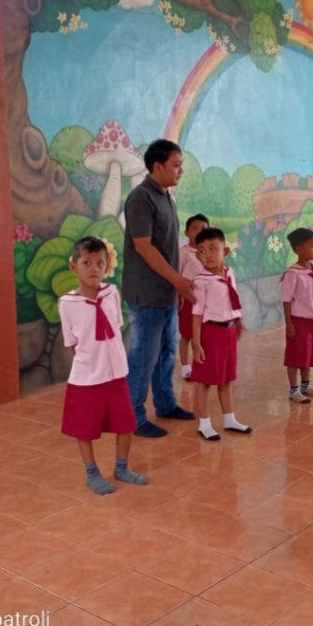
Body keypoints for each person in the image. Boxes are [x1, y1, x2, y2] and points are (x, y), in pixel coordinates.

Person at [59, 236, 150, 494]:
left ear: (106, 267)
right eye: (86, 263)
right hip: (87, 378)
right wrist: (93, 361)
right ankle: (92, 472)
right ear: (74, 266)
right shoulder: (68, 304)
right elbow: (72, 342)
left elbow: (117, 326)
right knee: (85, 428)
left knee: (126, 422)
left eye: (100, 263)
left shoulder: (111, 293)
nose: (94, 268)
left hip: (117, 374)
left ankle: (122, 467)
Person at [122, 139, 196, 438]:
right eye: (176, 165)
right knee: (144, 354)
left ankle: (165, 404)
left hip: (166, 292)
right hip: (147, 293)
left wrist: (175, 284)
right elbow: (143, 246)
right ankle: (133, 417)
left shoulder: (165, 197)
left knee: (166, 350)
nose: (181, 170)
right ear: (157, 166)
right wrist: (178, 281)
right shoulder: (141, 198)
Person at [191, 227, 252, 440]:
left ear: (225, 251)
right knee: (205, 381)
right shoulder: (201, 281)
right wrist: (196, 343)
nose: (207, 255)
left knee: (226, 378)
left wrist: (238, 320)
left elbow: (231, 300)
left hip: (228, 332)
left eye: (212, 249)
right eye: (202, 250)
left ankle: (229, 418)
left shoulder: (229, 273)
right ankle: (204, 423)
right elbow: (197, 313)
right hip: (210, 334)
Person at [281, 228, 313, 404]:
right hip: (299, 320)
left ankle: (305, 385)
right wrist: (289, 324)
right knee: (296, 355)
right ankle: (293, 389)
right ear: (298, 249)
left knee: (308, 354)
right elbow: (286, 300)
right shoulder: (292, 273)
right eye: (311, 246)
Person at [178, 213, 210, 381]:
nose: (198, 231)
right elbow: (177, 276)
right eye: (194, 228)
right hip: (189, 300)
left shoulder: (209, 253)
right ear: (186, 232)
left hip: (207, 302)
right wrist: (178, 298)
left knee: (203, 334)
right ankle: (185, 367)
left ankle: (201, 365)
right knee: (187, 334)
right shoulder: (184, 253)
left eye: (203, 228)